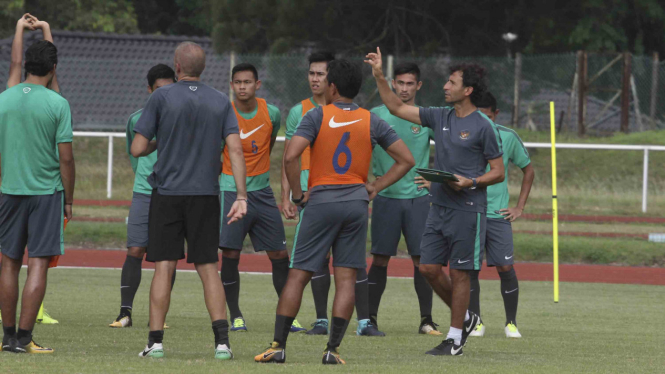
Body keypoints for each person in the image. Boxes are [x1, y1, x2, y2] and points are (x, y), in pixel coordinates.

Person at [255, 59, 415, 364]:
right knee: (346, 279)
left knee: (298, 274)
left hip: (321, 202)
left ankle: (278, 346)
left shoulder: (317, 115)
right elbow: (406, 159)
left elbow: (290, 156)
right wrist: (375, 186)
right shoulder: (371, 120)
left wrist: (299, 195)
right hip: (356, 204)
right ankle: (332, 350)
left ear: (333, 87)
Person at [366, 47, 505, 356]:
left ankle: (454, 339)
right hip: (438, 208)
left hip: (468, 210)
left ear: (466, 90)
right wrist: (378, 74)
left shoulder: (483, 126)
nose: (445, 86)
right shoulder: (439, 115)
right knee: (428, 268)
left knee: (459, 274)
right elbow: (395, 107)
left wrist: (471, 181)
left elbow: (498, 172)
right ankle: (467, 318)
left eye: (451, 82)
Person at [131, 42, 247, 360]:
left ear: (177, 67)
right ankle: (222, 343)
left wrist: (162, 140)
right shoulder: (221, 101)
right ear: (203, 68)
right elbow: (235, 150)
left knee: (164, 267)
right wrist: (241, 195)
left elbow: (138, 148)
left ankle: (155, 343)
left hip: (168, 194)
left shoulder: (161, 97)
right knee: (209, 268)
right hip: (206, 195)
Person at [0, 15, 75, 353]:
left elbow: (15, 61)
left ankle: (7, 337)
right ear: (54, 68)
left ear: (26, 65)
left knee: (9, 264)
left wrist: (20, 27)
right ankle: (25, 339)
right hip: (46, 194)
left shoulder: (6, 97)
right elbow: (67, 160)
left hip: (9, 191)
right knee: (38, 264)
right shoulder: (58, 104)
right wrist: (69, 200)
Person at [220, 62, 305, 333]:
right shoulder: (224, 112)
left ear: (257, 85)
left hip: (262, 192)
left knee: (280, 253)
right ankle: (235, 316)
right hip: (230, 190)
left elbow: (267, 147)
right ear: (231, 85)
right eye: (237, 82)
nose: (242, 87)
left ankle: (287, 315)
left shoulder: (272, 113)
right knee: (231, 253)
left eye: (247, 82)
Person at [368, 62, 441, 336]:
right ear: (393, 83)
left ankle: (426, 320)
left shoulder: (424, 117)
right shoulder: (375, 115)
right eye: (401, 83)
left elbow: (448, 149)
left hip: (418, 200)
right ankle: (370, 320)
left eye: (411, 84)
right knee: (380, 260)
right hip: (385, 197)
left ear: (418, 86)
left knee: (422, 261)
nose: (405, 88)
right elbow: (360, 148)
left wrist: (436, 178)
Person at [109, 64, 177, 329]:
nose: (164, 93)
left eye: (169, 88)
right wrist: (144, 179)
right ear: (149, 90)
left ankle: (157, 316)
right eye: (159, 89)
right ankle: (125, 312)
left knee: (166, 256)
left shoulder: (181, 116)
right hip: (144, 193)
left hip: (172, 193)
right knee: (135, 249)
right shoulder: (137, 119)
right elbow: (134, 153)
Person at [468, 91, 534, 338]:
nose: (483, 122)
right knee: (470, 269)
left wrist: (519, 207)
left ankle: (511, 323)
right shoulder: (464, 135)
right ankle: (475, 322)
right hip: (470, 212)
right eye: (478, 116)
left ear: (495, 115)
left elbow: (528, 170)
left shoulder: (507, 136)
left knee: (505, 267)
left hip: (497, 215)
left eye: (487, 116)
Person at [281, 52, 335, 335]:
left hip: (336, 189)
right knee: (314, 256)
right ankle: (322, 318)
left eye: (321, 74)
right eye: (312, 73)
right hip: (306, 193)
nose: (315, 79)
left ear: (332, 77)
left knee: (345, 258)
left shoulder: (343, 110)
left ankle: (363, 321)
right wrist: (287, 195)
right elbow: (289, 156)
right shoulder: (297, 111)